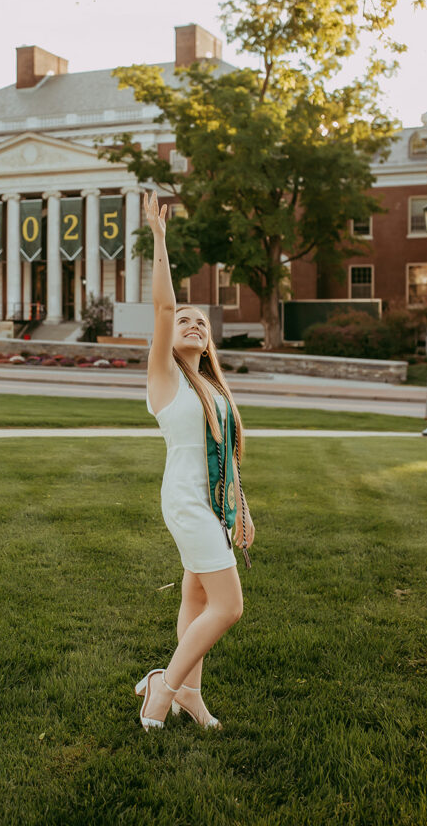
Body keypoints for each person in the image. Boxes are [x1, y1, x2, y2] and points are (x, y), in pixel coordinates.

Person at [136, 189, 255, 732]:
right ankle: (163, 685)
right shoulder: (165, 380)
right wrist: (159, 240)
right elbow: (163, 306)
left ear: (210, 343)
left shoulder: (214, 389)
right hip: (186, 503)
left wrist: (243, 511)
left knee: (198, 596)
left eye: (201, 323)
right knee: (228, 607)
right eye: (185, 320)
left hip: (216, 505)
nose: (192, 324)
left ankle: (193, 696)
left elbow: (227, 457)